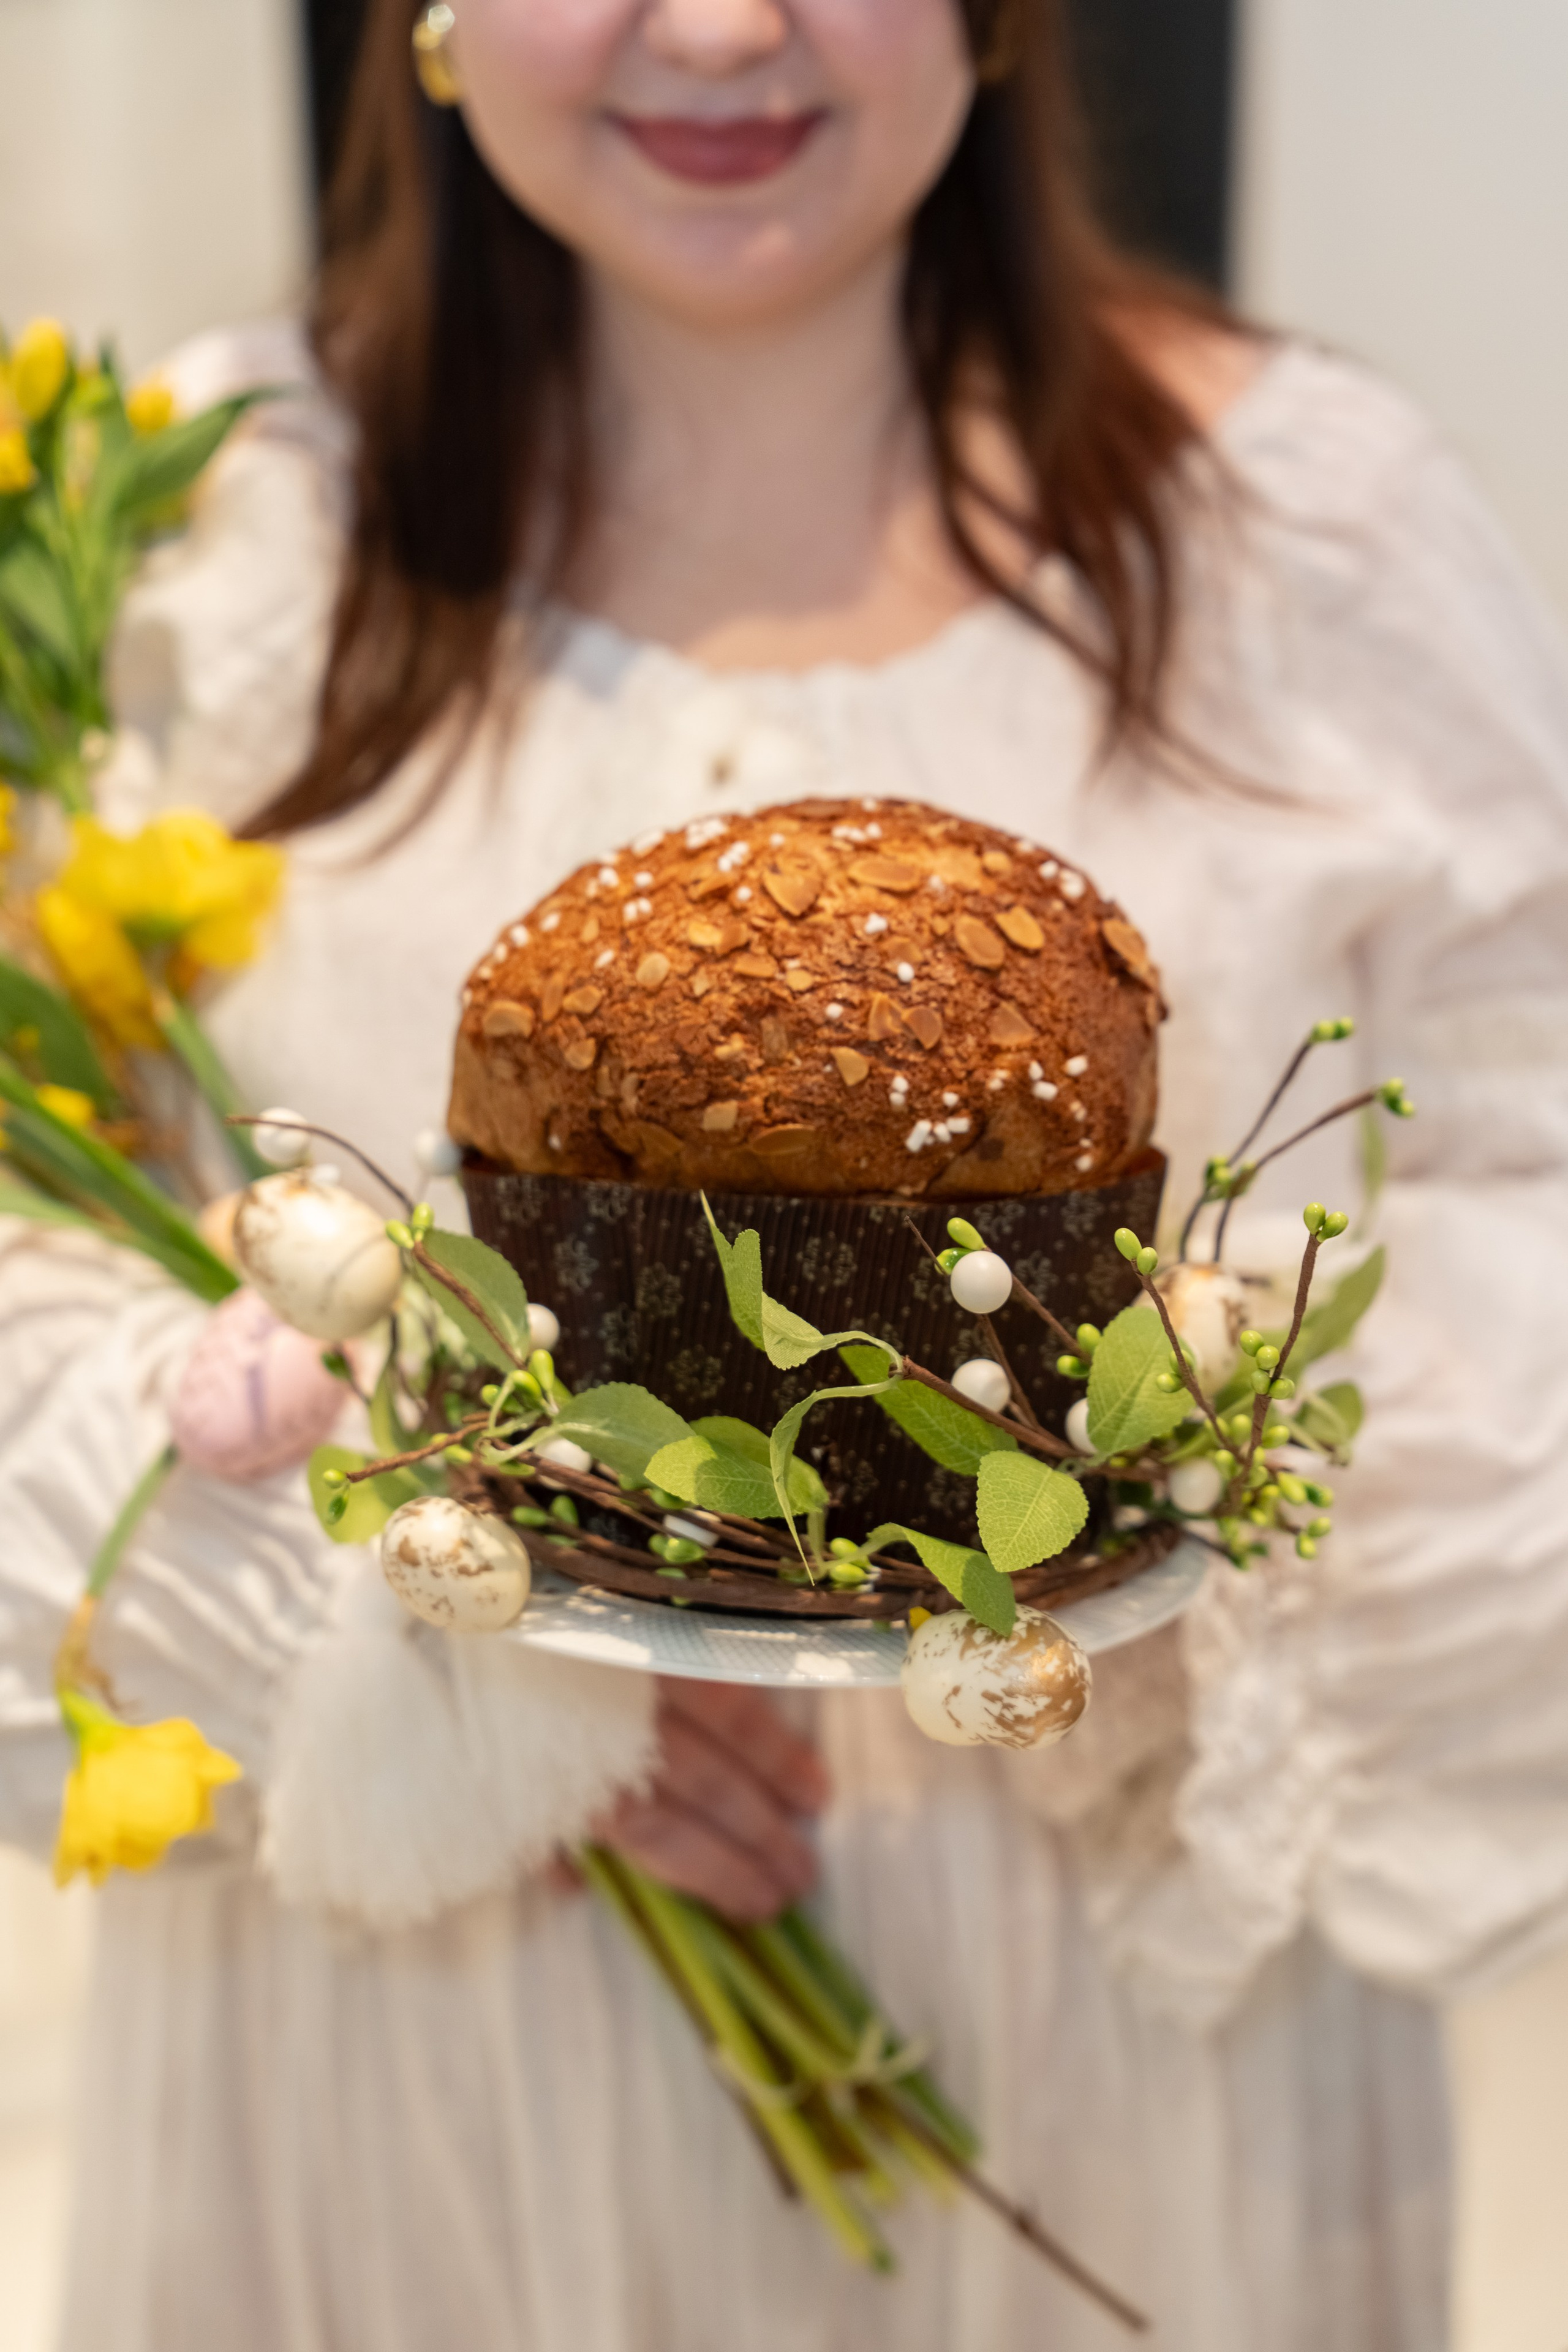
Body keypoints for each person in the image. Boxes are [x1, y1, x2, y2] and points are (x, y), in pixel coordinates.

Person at [3, 1, 1567, 2345]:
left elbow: (1526, 1201)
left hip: (1118, 2089)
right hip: (415, 2100)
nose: (723, 23)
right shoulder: (190, 535)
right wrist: (420, 1653)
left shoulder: (1313, 536)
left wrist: (1162, 1599)